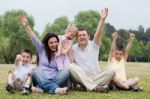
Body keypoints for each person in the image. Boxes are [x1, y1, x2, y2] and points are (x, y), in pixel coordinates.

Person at [68, 8, 115, 93]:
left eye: (84, 35)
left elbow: (98, 33)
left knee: (112, 71)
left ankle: (85, 86)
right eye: (79, 35)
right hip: (81, 77)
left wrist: (102, 20)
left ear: (88, 37)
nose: (82, 37)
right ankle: (94, 87)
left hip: (96, 76)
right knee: (71, 66)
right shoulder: (73, 48)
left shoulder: (94, 45)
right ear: (77, 38)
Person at [19, 15, 69, 95]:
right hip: (41, 77)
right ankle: (55, 89)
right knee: (35, 72)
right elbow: (34, 37)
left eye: (56, 42)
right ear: (47, 43)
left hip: (55, 78)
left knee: (65, 72)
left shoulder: (60, 53)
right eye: (51, 42)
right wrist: (27, 26)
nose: (54, 44)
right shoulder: (41, 49)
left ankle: (41, 88)